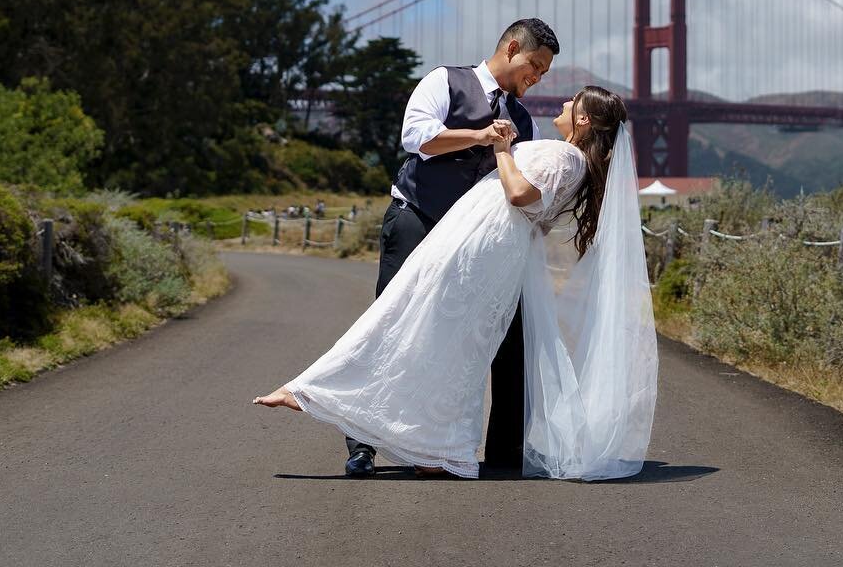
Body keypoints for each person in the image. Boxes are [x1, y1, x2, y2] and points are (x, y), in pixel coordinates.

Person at [255, 86, 658, 481]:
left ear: (583, 120)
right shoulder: (573, 161)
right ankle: (437, 447)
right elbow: (542, 215)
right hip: (492, 243)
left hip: (480, 242)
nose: (566, 102)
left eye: (574, 103)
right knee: (456, 344)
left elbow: (520, 195)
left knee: (409, 314)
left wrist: (501, 151)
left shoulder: (566, 156)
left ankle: (317, 393)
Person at [327, 17, 559, 477]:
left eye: (544, 72)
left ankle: (441, 448)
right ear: (511, 48)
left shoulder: (525, 119)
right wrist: (480, 136)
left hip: (471, 243)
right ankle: (363, 446)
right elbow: (415, 138)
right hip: (416, 217)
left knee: (452, 339)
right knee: (391, 328)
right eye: (534, 65)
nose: (537, 77)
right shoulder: (445, 81)